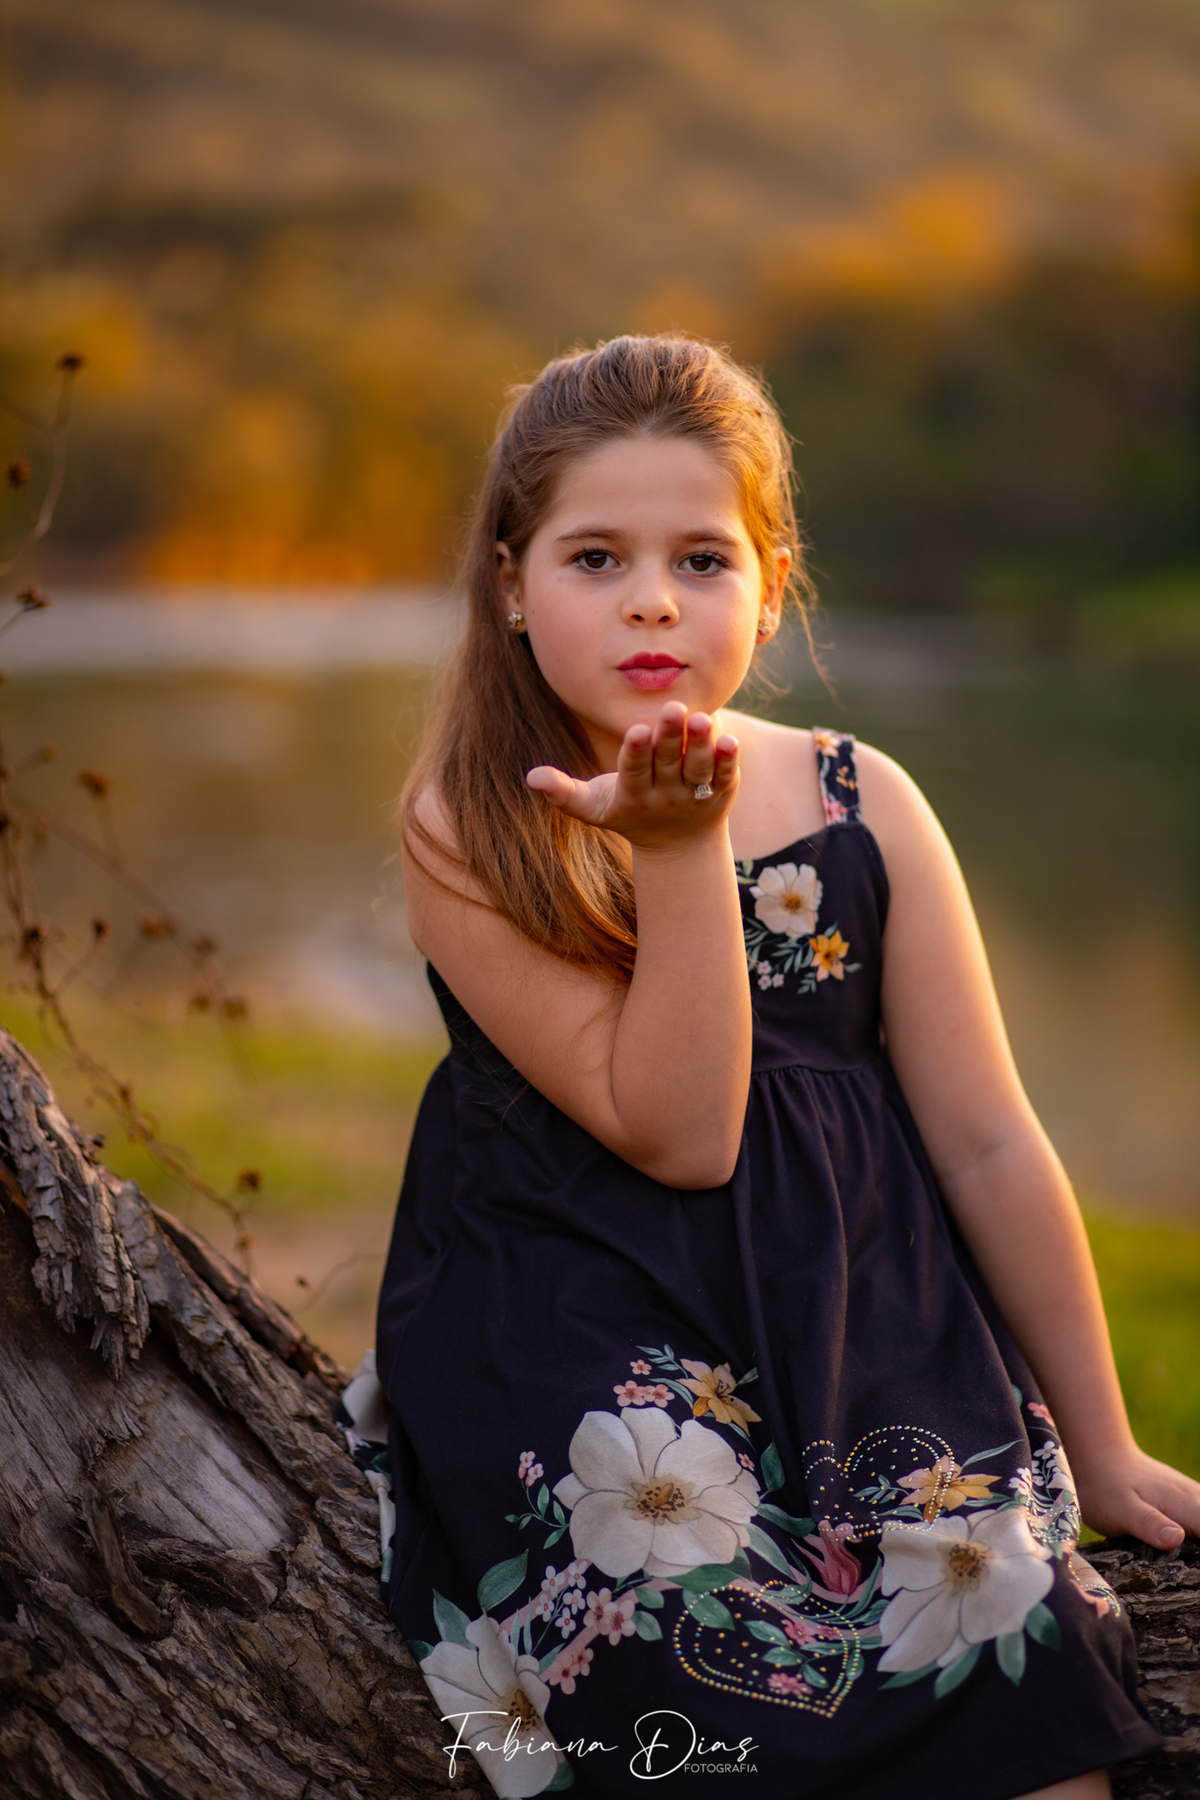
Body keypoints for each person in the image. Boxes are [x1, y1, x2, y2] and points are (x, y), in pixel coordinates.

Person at [375, 334, 1197, 1800]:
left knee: (1019, 1645)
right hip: (584, 1332)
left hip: (863, 1325)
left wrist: (1111, 1441)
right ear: (509, 584)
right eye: (594, 558)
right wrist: (681, 849)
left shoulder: (859, 800)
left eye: (702, 559)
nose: (651, 599)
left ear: (770, 580)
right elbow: (683, 1133)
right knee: (681, 1632)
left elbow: (989, 1142)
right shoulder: (471, 824)